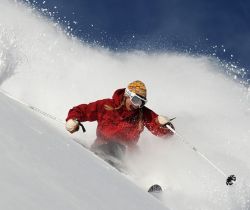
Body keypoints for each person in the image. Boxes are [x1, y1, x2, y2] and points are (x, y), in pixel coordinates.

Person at [65, 80, 174, 162]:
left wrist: (164, 125)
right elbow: (82, 111)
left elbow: (164, 133)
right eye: (135, 100)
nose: (137, 106)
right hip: (101, 150)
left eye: (141, 103)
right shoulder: (106, 106)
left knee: (137, 157)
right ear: (127, 95)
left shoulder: (143, 113)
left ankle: (141, 183)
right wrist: (73, 120)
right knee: (113, 147)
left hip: (127, 158)